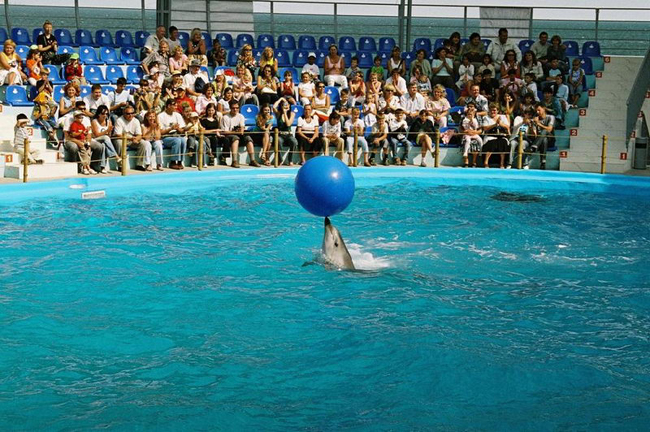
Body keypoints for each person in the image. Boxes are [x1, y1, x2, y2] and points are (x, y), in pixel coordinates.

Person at [65, 109, 106, 174]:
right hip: (77, 141)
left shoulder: (82, 125)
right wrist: (80, 134)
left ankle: (89, 167)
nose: (81, 119)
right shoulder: (73, 124)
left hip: (84, 140)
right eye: (79, 117)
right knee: (83, 153)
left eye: (82, 117)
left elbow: (86, 134)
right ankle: (84, 167)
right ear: (75, 118)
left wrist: (86, 132)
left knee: (89, 151)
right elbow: (72, 134)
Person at [220, 100, 260, 168]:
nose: (235, 109)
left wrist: (238, 131)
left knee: (248, 138)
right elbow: (225, 132)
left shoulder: (241, 116)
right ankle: (234, 161)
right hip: (228, 136)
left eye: (237, 108)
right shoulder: (225, 117)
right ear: (230, 108)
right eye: (233, 108)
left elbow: (242, 130)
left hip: (238, 135)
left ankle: (252, 160)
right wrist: (235, 132)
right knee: (235, 138)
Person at [114, 106, 153, 171]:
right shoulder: (119, 120)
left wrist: (136, 139)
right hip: (122, 139)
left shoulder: (136, 121)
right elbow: (118, 134)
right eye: (128, 114)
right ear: (124, 113)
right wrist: (132, 138)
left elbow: (139, 134)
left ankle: (139, 164)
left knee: (144, 143)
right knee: (119, 142)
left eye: (132, 113)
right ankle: (121, 165)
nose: (130, 115)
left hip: (132, 139)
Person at [157, 99, 188, 169]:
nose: (176, 107)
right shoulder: (160, 116)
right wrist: (171, 128)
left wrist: (178, 129)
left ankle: (180, 161)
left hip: (177, 134)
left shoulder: (178, 115)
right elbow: (161, 132)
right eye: (174, 105)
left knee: (183, 140)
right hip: (166, 137)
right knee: (177, 141)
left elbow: (182, 130)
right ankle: (173, 161)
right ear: (168, 106)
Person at [481, 103, 511, 168]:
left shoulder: (502, 117)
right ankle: (486, 162)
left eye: (494, 110)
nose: (493, 112)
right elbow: (485, 128)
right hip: (490, 135)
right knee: (492, 143)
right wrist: (494, 125)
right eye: (491, 110)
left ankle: (502, 163)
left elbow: (507, 127)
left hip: (501, 135)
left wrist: (500, 123)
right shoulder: (486, 117)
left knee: (502, 143)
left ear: (497, 111)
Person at [91, 105, 119, 171]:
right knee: (105, 138)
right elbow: (96, 134)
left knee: (104, 145)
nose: (105, 115)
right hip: (95, 139)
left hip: (105, 140)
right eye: (103, 114)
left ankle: (102, 167)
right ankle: (115, 156)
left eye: (106, 114)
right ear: (98, 114)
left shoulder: (108, 122)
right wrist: (107, 131)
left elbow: (109, 136)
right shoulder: (94, 121)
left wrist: (109, 131)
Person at [272, 97, 298, 165]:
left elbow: (288, 124)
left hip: (288, 134)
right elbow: (274, 107)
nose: (286, 106)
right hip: (280, 134)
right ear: (281, 106)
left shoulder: (292, 113)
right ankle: (280, 159)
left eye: (287, 105)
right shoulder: (278, 114)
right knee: (278, 141)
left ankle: (290, 159)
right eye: (284, 105)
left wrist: (285, 113)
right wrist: (280, 99)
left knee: (294, 142)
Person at [531, 103, 554, 170]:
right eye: (536, 111)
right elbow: (534, 134)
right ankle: (543, 163)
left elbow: (549, 129)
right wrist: (532, 125)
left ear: (544, 109)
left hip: (550, 138)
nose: (538, 112)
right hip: (540, 140)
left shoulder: (550, 117)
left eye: (539, 110)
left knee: (545, 131)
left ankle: (534, 146)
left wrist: (539, 124)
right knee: (544, 140)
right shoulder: (536, 118)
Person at [461, 102, 483, 167]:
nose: (470, 108)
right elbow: (463, 127)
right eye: (469, 106)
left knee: (480, 140)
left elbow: (478, 128)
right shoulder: (464, 118)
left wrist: (474, 132)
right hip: (467, 134)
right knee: (467, 140)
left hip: (474, 133)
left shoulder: (476, 118)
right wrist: (467, 131)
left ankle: (480, 153)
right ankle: (466, 157)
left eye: (472, 106)